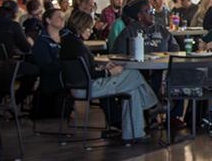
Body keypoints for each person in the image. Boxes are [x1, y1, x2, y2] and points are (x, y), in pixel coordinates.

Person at [60, 10, 158, 143]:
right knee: (133, 74)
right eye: (88, 28)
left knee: (131, 89)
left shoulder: (68, 43)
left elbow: (83, 69)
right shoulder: (78, 46)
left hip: (78, 86)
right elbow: (89, 73)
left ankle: (136, 133)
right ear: (81, 26)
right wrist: (109, 72)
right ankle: (152, 105)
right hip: (88, 87)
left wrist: (103, 68)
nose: (90, 31)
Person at [31, 8, 67, 118]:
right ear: (48, 20)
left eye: (63, 17)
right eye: (58, 17)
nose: (62, 19)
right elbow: (46, 65)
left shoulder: (66, 37)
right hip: (51, 81)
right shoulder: (42, 41)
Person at [112, 0, 179, 55]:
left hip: (162, 67)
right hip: (137, 68)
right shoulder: (129, 32)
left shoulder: (161, 29)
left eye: (153, 10)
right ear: (139, 15)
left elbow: (175, 49)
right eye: (148, 11)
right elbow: (119, 54)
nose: (152, 14)